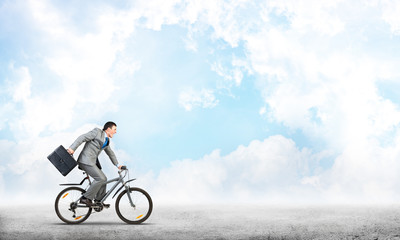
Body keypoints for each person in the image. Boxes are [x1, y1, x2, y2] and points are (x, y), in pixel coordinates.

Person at [67, 121, 122, 207]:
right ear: (108, 129)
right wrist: (72, 148)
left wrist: (117, 165)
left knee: (104, 179)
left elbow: (110, 153)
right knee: (101, 178)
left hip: (92, 161)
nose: (115, 132)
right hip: (86, 160)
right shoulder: (97, 132)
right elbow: (82, 137)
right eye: (114, 129)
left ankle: (98, 201)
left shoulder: (107, 141)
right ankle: (85, 198)